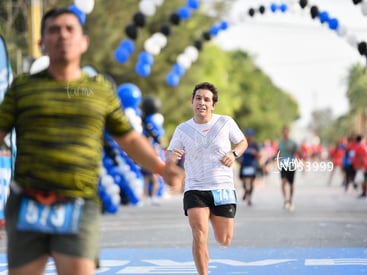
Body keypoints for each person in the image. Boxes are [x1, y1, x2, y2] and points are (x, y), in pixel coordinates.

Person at [0, 8, 184, 275]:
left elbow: (129, 139)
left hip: (79, 203)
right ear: (41, 44)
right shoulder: (22, 89)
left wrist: (160, 168)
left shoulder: (99, 90)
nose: (62, 35)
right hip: (27, 202)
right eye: (53, 30)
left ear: (83, 41)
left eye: (69, 29)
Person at [167, 81, 248, 275]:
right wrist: (172, 156)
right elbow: (170, 153)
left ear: (213, 105)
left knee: (224, 239)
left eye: (206, 99)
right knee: (199, 234)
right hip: (195, 189)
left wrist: (234, 154)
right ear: (192, 102)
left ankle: (212, 216)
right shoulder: (182, 129)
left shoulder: (225, 122)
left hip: (222, 188)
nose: (201, 102)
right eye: (198, 98)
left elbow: (242, 142)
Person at [276, 126, 299, 211]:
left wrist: (293, 150)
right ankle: (285, 200)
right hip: (283, 164)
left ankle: (291, 200)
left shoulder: (293, 143)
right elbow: (278, 153)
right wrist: (277, 163)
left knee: (291, 184)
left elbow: (299, 152)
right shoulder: (280, 143)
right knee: (283, 182)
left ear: (288, 132)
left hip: (291, 164)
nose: (285, 133)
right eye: (284, 132)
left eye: (286, 131)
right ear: (282, 133)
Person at [238, 128, 260, 206]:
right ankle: (246, 192)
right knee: (244, 183)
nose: (249, 137)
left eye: (250, 135)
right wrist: (239, 160)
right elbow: (238, 154)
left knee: (251, 183)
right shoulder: (243, 144)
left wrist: (254, 153)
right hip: (244, 165)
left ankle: (249, 198)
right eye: (248, 135)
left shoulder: (255, 145)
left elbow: (259, 156)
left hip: (252, 165)